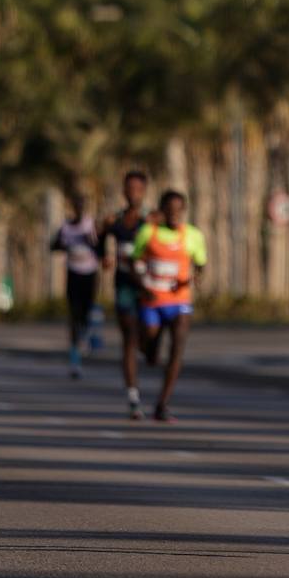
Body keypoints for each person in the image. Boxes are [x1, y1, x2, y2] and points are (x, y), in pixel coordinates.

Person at [131, 189, 207, 423]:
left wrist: (192, 279)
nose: (174, 214)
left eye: (179, 210)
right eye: (170, 210)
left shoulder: (192, 236)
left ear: (184, 211)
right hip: (152, 301)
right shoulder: (147, 233)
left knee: (178, 348)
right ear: (162, 211)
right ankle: (148, 350)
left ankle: (162, 405)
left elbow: (200, 265)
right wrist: (142, 286)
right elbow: (135, 262)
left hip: (179, 302)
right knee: (151, 348)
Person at [101, 171, 150, 421]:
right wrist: (105, 258)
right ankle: (133, 397)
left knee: (147, 339)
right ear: (123, 191)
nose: (133, 193)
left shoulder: (152, 220)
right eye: (129, 188)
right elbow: (99, 242)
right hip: (124, 286)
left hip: (150, 288)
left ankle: (148, 348)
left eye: (138, 189)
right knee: (129, 339)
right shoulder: (114, 221)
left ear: (145, 190)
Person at [51, 193, 101, 380]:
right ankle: (74, 358)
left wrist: (92, 242)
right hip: (73, 274)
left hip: (89, 274)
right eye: (76, 205)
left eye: (82, 205)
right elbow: (53, 246)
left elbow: (101, 248)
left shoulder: (90, 225)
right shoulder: (66, 227)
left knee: (86, 312)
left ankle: (88, 335)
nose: (79, 208)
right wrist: (62, 245)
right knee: (73, 315)